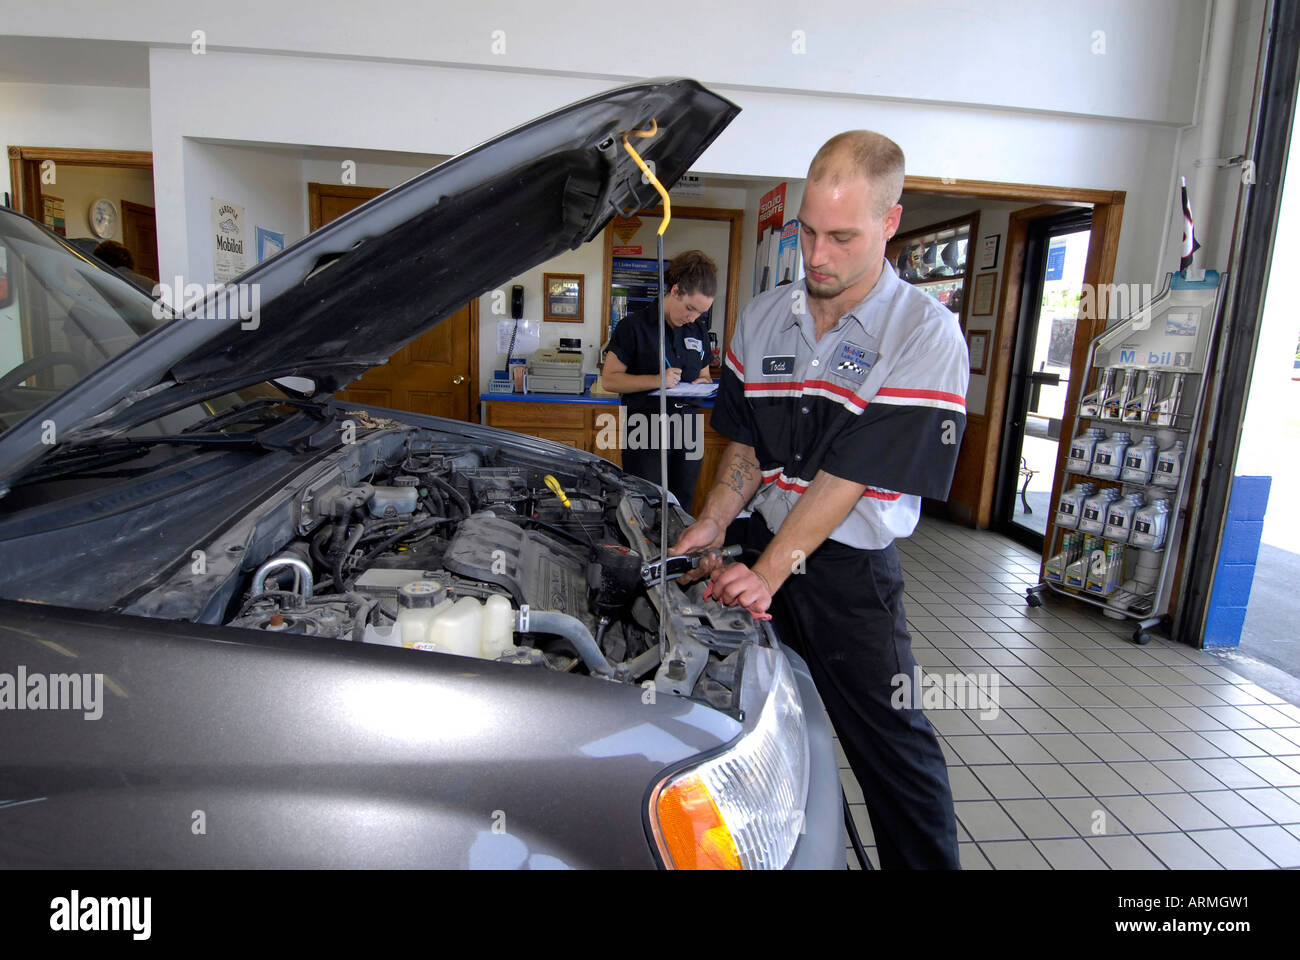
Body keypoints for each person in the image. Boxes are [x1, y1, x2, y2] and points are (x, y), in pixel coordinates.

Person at [671, 131, 969, 869]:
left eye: (843, 236)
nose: (817, 255)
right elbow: (744, 445)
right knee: (758, 731)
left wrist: (768, 573)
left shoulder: (926, 335)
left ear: (890, 222)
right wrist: (711, 521)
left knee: (893, 749)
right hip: (755, 553)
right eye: (806, 232)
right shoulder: (763, 316)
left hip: (845, 576)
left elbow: (848, 479)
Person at [601, 250, 718, 508]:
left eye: (700, 312)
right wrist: (657, 380)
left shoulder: (697, 330)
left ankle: (677, 550)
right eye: (690, 308)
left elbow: (704, 373)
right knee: (647, 505)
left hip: (687, 429)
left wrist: (704, 383)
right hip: (646, 427)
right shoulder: (633, 326)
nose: (693, 318)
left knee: (681, 505)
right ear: (675, 291)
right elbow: (610, 380)